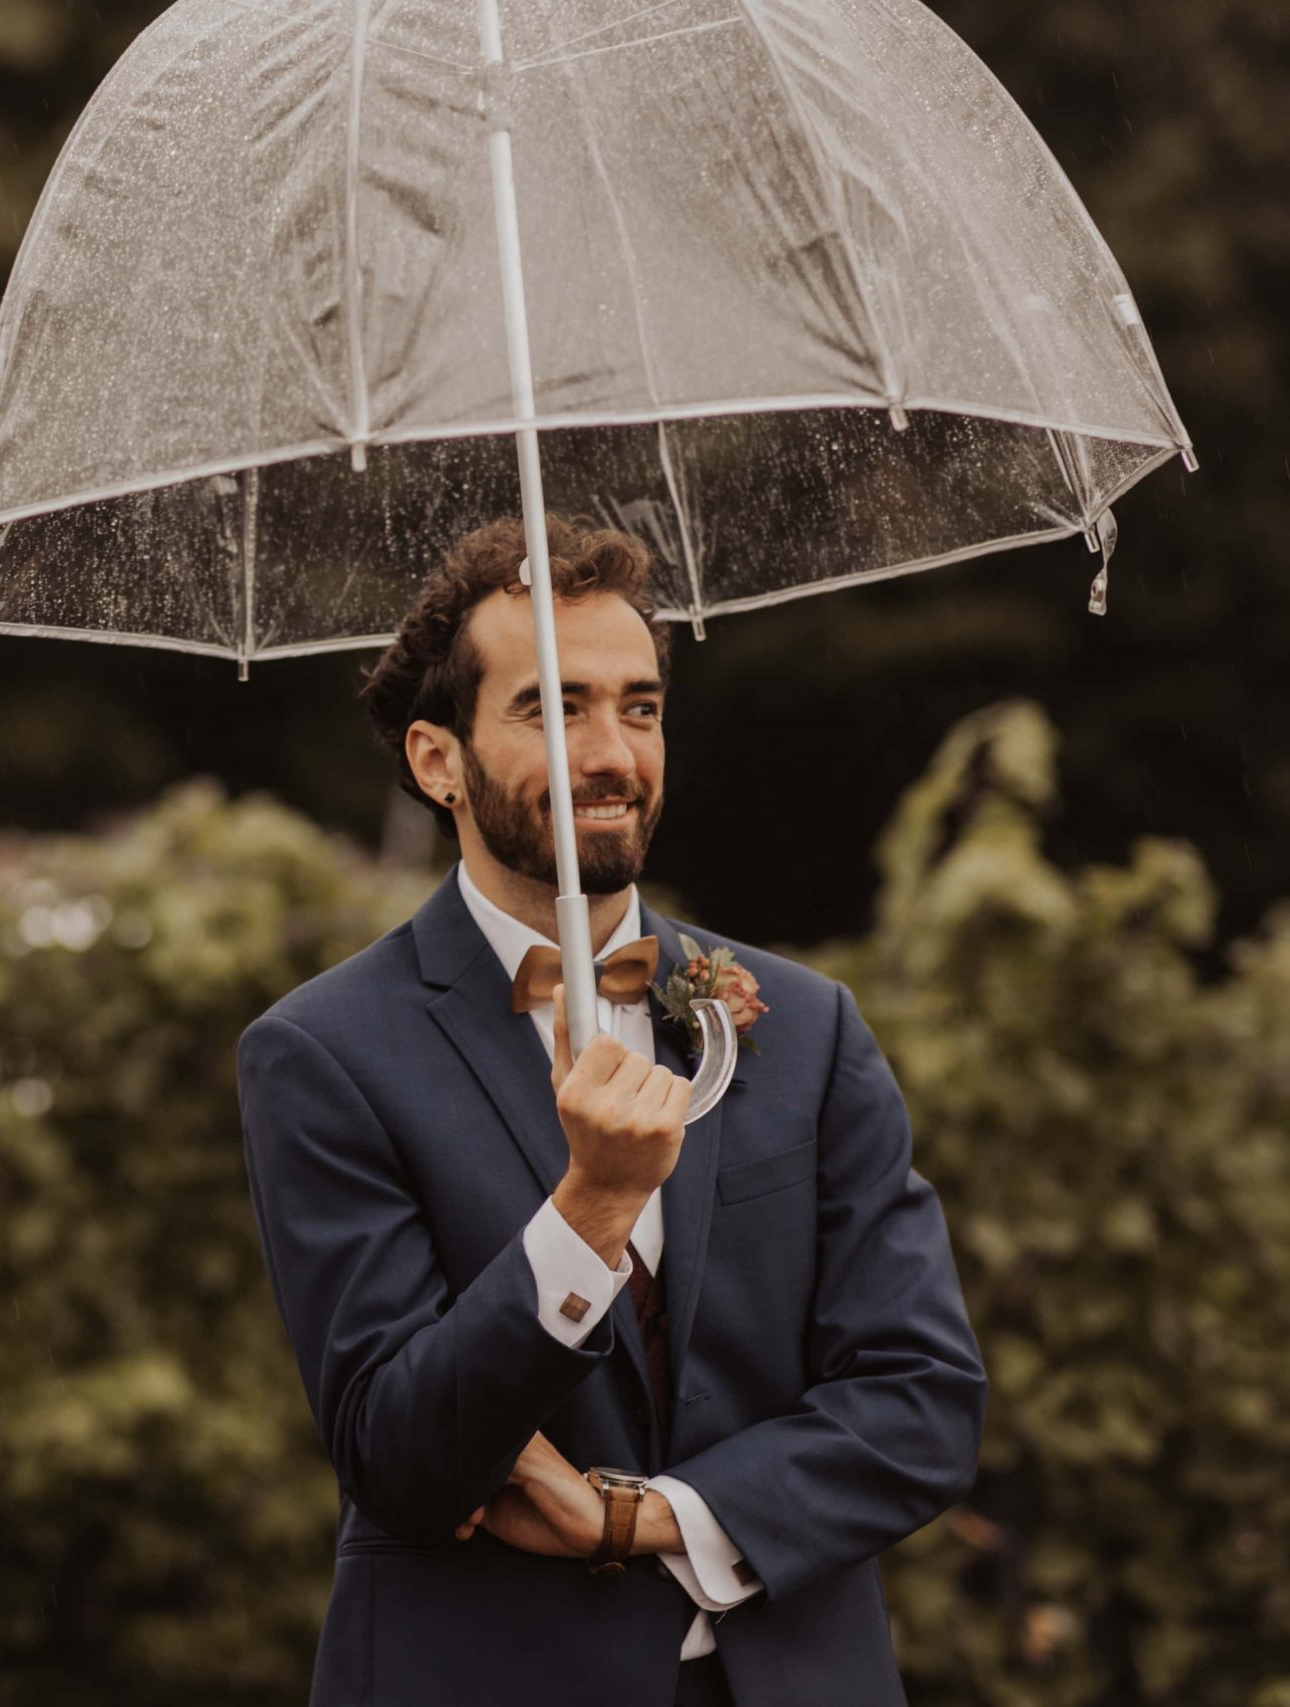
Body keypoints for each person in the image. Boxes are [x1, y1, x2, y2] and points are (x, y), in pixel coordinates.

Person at [236, 515, 985, 1707]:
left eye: (637, 707)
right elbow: (401, 1454)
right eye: (552, 709)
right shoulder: (323, 1055)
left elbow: (920, 1405)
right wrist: (588, 1207)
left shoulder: (802, 1026)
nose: (611, 752)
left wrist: (639, 1521)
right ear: (437, 760)